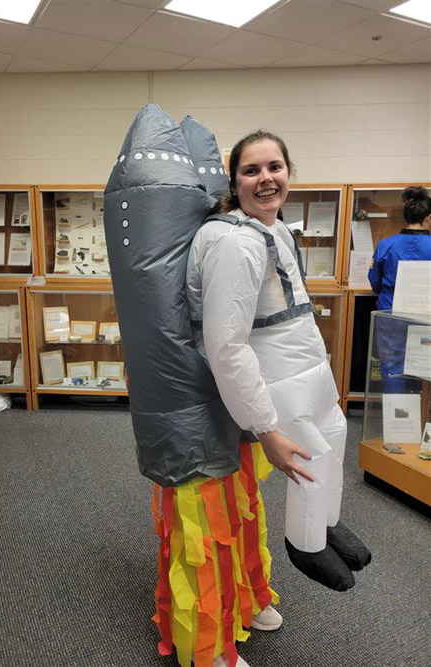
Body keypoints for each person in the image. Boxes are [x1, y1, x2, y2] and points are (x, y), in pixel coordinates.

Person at [185, 129, 370, 666]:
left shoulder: (276, 230)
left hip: (306, 366)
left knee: (335, 433)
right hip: (273, 376)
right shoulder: (232, 244)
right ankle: (306, 546)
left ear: (288, 172)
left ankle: (325, 524)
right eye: (252, 170)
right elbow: (226, 345)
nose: (266, 179)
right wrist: (265, 427)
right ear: (235, 181)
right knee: (311, 453)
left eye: (274, 167)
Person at [368, 186, 431, 392]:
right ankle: (423, 410)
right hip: (426, 314)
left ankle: (396, 410)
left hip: (391, 312)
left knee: (391, 366)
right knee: (425, 364)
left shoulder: (386, 245)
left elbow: (374, 281)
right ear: (428, 217)